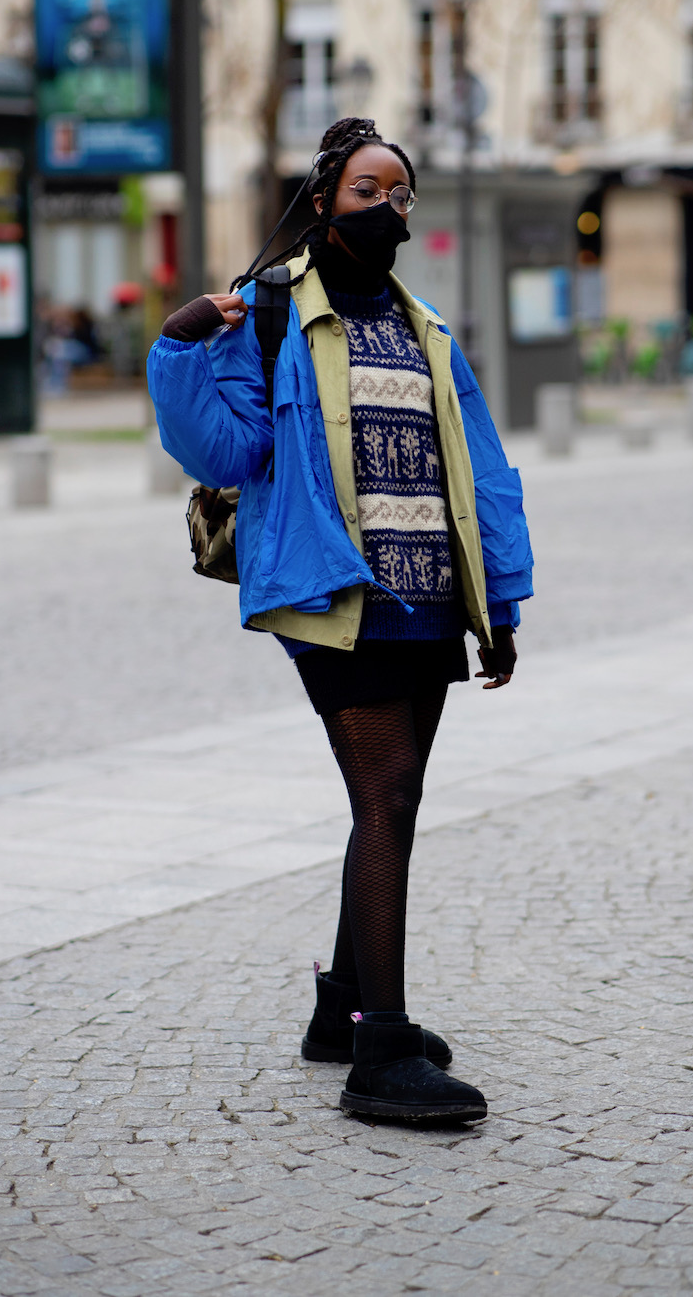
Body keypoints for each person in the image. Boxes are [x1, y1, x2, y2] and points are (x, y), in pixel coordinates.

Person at [148, 118, 532, 1124]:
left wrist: (499, 605)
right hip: (333, 595)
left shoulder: (425, 328)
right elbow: (227, 454)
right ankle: (383, 1055)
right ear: (322, 200)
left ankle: (341, 1012)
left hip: (429, 598)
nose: (388, 207)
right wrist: (182, 346)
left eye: (401, 193)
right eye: (368, 189)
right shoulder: (270, 316)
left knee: (398, 802)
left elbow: (481, 474)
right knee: (387, 795)